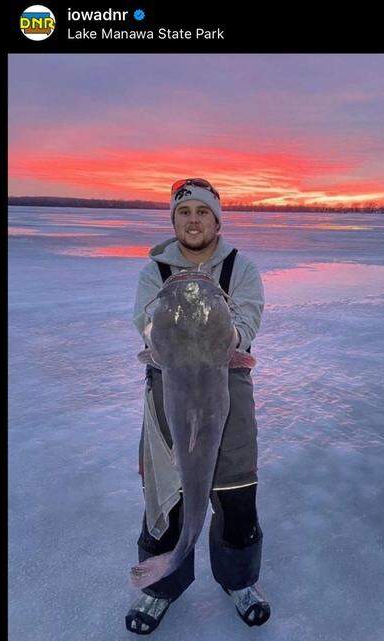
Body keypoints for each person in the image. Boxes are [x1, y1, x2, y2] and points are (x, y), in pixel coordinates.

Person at [126, 178, 270, 634]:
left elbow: (248, 320)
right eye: (184, 212)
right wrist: (165, 336)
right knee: (167, 496)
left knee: (237, 496)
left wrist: (228, 337)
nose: (193, 221)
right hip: (168, 388)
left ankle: (239, 581)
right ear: (174, 221)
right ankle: (161, 585)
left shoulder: (240, 267)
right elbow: (143, 323)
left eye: (202, 212)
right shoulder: (155, 270)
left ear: (217, 221)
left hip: (228, 386)